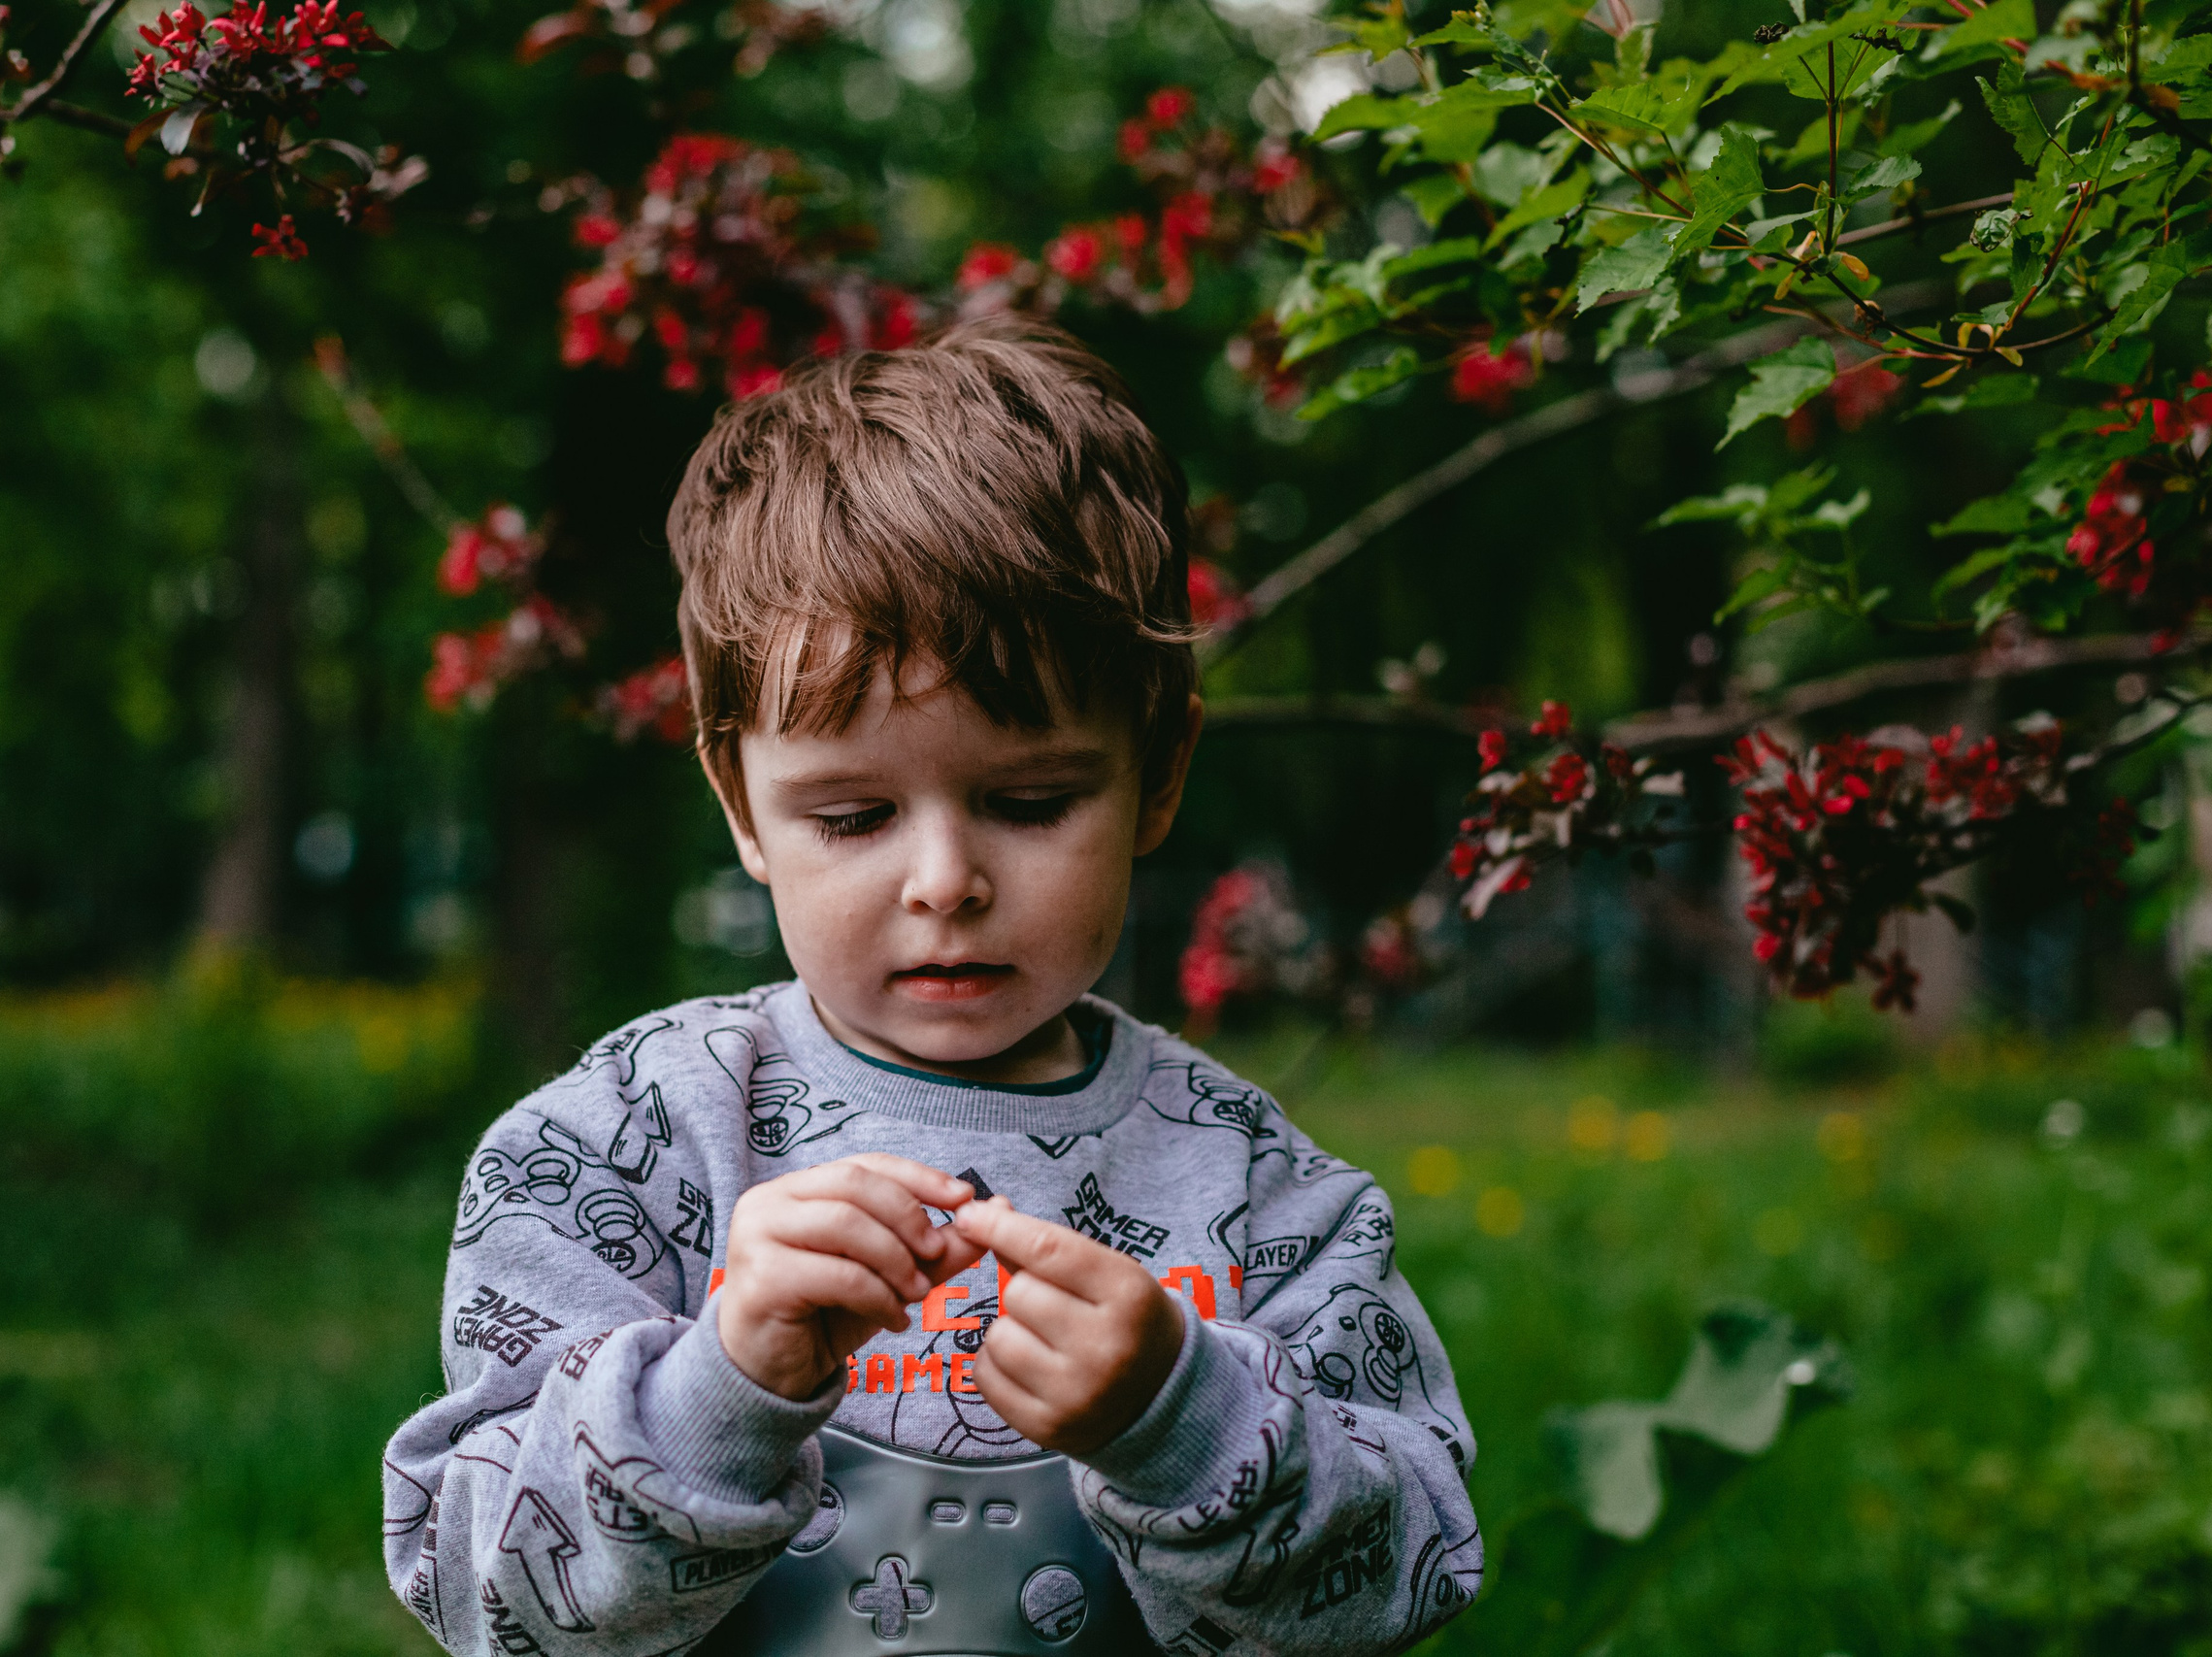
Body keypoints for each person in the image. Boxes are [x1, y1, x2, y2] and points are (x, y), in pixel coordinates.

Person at [380, 316, 1481, 1656]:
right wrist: (716, 1389)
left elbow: (1407, 1578)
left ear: (1159, 771)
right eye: (851, 818)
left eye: (1030, 800)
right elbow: (487, 1595)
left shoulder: (1250, 1185)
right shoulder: (621, 1151)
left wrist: (1186, 1423)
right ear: (740, 799)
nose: (944, 880)